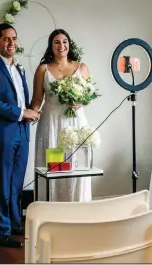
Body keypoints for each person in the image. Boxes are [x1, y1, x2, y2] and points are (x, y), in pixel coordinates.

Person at [0, 23, 40, 248]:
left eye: (14, 38)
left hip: (22, 132)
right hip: (2, 133)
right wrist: (23, 113)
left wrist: (33, 111)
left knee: (16, 182)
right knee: (3, 182)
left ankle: (14, 223)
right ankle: (0, 231)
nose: (11, 43)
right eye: (6, 39)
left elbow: (22, 98)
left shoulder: (19, 68)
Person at [30, 29, 92, 202]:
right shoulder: (43, 69)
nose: (61, 45)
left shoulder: (82, 67)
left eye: (64, 41)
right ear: (51, 46)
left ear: (69, 44)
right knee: (52, 166)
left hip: (76, 122)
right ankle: (50, 210)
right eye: (56, 42)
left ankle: (77, 209)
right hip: (51, 122)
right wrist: (28, 115)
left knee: (76, 165)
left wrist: (82, 102)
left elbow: (89, 98)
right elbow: (37, 99)